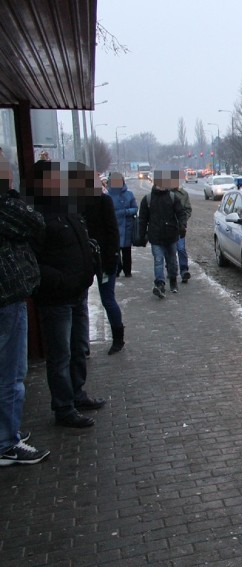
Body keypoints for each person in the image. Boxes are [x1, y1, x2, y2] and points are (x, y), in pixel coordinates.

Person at [31, 160, 105, 429]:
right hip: (56, 298)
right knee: (60, 355)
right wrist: (60, 280)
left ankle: (77, 394)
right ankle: (63, 408)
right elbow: (33, 261)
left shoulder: (66, 208)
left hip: (78, 294)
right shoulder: (37, 214)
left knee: (77, 349)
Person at [0, 154, 50, 464]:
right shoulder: (6, 207)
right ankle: (7, 442)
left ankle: (8, 431)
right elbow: (35, 221)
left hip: (8, 298)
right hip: (6, 299)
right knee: (11, 373)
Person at [82, 171, 125, 355]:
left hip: (105, 259)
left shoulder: (104, 201)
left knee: (107, 299)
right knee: (81, 301)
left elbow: (112, 231)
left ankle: (118, 338)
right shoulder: (77, 204)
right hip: (85, 259)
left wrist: (113, 257)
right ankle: (82, 345)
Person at [138, 170, 188, 298]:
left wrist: (182, 226)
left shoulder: (172, 197)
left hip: (171, 235)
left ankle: (173, 281)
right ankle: (160, 284)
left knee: (172, 261)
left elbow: (181, 213)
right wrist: (141, 235)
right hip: (155, 236)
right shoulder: (148, 199)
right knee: (158, 260)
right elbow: (142, 219)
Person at [106, 172, 137, 277]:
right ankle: (117, 269)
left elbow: (135, 208)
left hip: (127, 226)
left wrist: (126, 212)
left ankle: (127, 270)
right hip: (113, 227)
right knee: (115, 251)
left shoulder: (129, 194)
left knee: (127, 251)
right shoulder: (107, 196)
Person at [172, 181, 192, 283]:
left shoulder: (184, 194)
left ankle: (184, 271)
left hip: (180, 227)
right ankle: (172, 270)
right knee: (171, 250)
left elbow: (188, 209)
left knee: (181, 248)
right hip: (169, 227)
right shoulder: (166, 193)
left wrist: (183, 220)